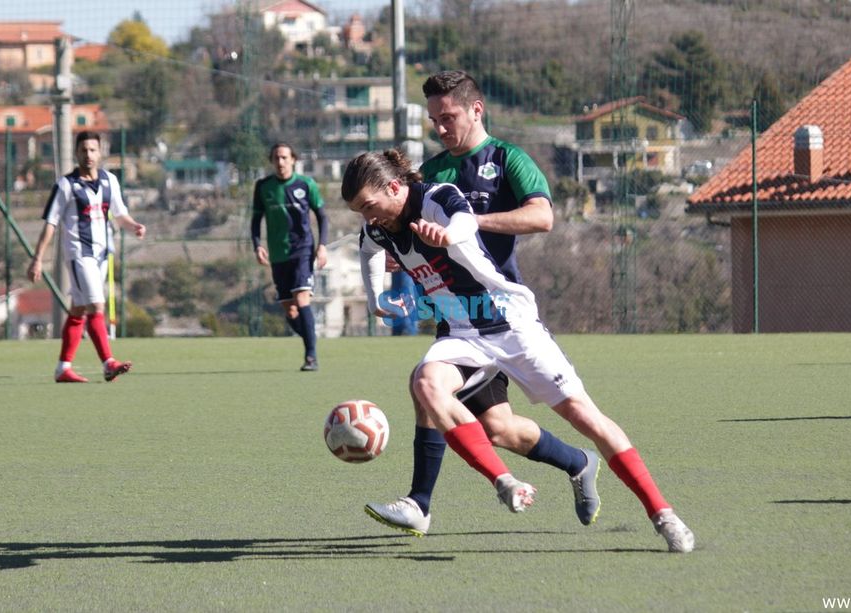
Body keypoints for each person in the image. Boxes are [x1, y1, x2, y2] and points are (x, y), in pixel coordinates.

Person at [343, 149, 695, 553]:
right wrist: (375, 298)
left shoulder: (435, 197)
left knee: (586, 417)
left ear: (394, 187)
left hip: (512, 325)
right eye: (359, 211)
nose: (367, 217)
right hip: (462, 333)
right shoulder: (378, 227)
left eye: (368, 205)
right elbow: (368, 249)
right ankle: (493, 484)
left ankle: (662, 513)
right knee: (427, 384)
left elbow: (463, 219)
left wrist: (448, 236)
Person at [365, 70, 600, 538]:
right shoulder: (430, 172)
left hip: (503, 314)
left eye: (447, 117)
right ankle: (578, 461)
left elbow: (542, 217)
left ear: (476, 109)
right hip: (457, 320)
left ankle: (419, 503)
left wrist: (468, 224)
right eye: (433, 120)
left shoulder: (508, 158)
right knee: (497, 428)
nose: (440, 127)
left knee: (428, 388)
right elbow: (406, 232)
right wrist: (402, 256)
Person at [27, 130, 146, 383]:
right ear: (76, 153)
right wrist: (37, 259)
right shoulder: (66, 185)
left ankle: (63, 368)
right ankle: (108, 363)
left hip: (102, 254)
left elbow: (120, 214)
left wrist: (134, 225)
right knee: (96, 306)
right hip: (79, 253)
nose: (88, 155)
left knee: (78, 310)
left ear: (100, 152)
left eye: (93, 150)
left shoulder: (110, 181)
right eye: (83, 150)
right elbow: (51, 223)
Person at [251, 143, 328, 371]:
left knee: (302, 299)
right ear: (271, 161)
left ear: (293, 159)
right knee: (291, 310)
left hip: (302, 250)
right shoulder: (263, 186)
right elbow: (256, 220)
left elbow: (322, 216)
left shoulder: (306, 184)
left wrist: (322, 246)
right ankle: (310, 337)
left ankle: (311, 357)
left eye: (284, 157)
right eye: (276, 158)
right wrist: (257, 245)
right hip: (278, 254)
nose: (280, 162)